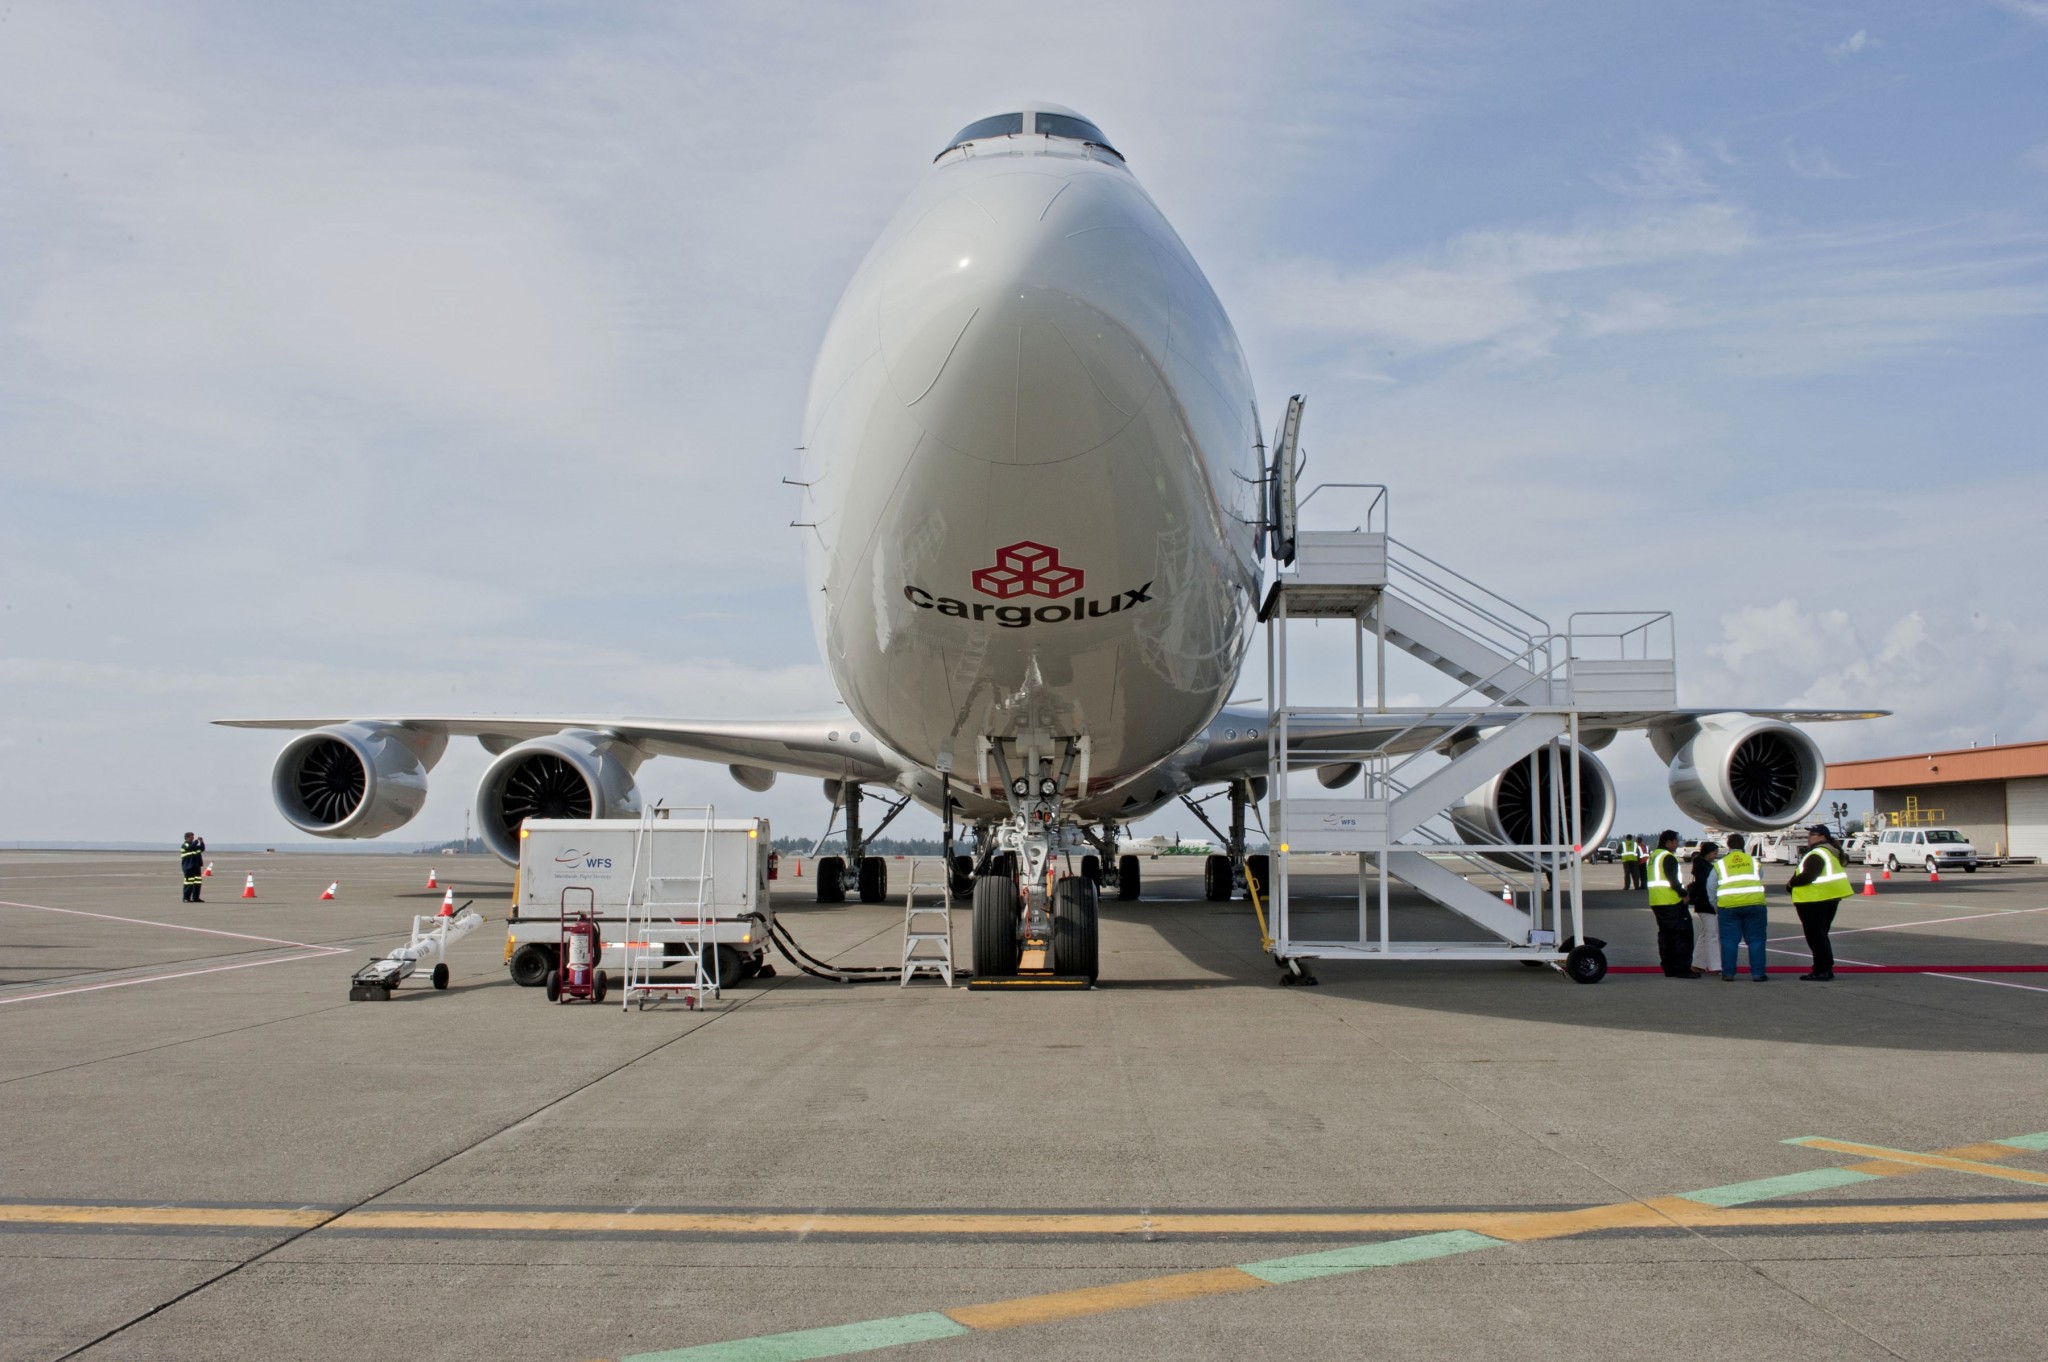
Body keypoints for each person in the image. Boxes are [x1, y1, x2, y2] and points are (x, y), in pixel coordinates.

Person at [1787, 823, 1853, 981]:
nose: (1808, 838)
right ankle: (1825, 968)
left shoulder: (1817, 853)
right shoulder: (1830, 852)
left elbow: (1808, 875)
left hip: (1814, 899)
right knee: (1821, 935)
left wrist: (1791, 883)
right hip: (1828, 898)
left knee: (1815, 937)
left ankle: (1821, 970)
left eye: (1812, 835)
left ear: (1822, 837)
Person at [1711, 833, 1769, 981]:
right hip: (1755, 903)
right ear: (1743, 845)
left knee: (1729, 940)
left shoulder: (1720, 864)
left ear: (1728, 845)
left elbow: (1710, 887)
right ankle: (1758, 974)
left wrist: (1715, 904)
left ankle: (1728, 973)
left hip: (1728, 906)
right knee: (1756, 939)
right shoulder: (1753, 861)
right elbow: (1760, 876)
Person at [1644, 829, 1697, 977]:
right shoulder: (1668, 857)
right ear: (1669, 842)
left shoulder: (1653, 856)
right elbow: (1672, 880)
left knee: (1665, 936)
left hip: (1656, 901)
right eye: (1676, 841)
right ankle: (1682, 969)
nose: (1677, 844)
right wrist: (1684, 894)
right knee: (1682, 935)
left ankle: (1669, 968)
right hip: (1671, 901)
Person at [1688, 840, 1721, 974]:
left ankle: (1697, 963)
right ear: (1708, 853)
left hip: (1702, 904)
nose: (1715, 856)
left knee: (1706, 934)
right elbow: (1706, 887)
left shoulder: (1700, 865)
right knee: (1712, 935)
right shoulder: (1705, 867)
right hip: (1706, 904)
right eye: (1714, 853)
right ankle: (1715, 965)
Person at [178, 831, 206, 903]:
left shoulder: (195, 846)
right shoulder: (185, 845)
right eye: (191, 837)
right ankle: (186, 898)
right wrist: (196, 841)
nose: (193, 838)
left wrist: (201, 842)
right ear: (187, 837)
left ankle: (195, 898)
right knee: (189, 883)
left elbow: (202, 849)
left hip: (196, 866)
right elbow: (190, 848)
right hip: (188, 867)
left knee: (197, 882)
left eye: (193, 837)